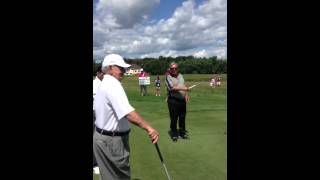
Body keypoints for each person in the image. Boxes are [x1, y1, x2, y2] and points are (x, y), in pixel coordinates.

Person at [93, 54, 159, 180]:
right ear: (111, 68)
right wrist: (149, 128)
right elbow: (127, 113)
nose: (124, 71)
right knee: (120, 177)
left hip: (102, 138)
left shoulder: (104, 83)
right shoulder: (113, 84)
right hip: (112, 142)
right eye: (121, 68)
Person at [165, 62, 190, 142]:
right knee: (174, 118)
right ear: (170, 69)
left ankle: (182, 133)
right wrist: (184, 89)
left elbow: (184, 85)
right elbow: (172, 88)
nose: (174, 70)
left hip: (182, 100)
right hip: (173, 100)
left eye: (176, 68)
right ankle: (174, 134)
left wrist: (186, 95)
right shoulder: (168, 77)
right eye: (172, 68)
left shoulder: (181, 76)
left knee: (182, 117)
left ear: (178, 69)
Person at [92, 64, 104, 175]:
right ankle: (95, 164)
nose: (104, 75)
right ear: (98, 73)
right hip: (94, 113)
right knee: (94, 137)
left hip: (103, 114)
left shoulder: (107, 84)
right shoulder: (94, 84)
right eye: (102, 73)